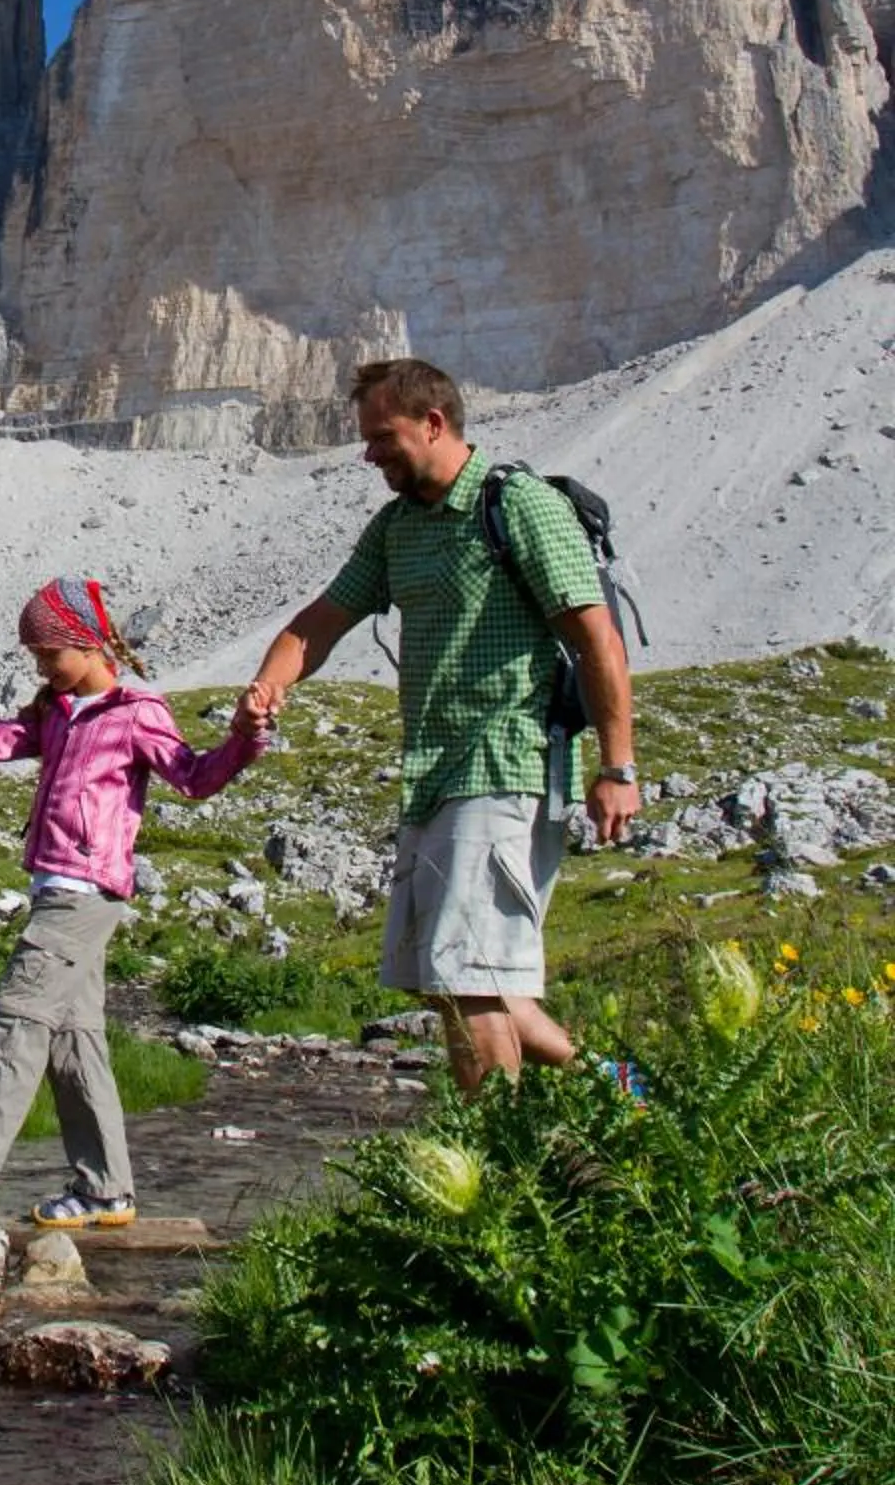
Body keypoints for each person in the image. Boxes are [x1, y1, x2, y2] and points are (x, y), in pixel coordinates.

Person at [243, 359, 640, 1097]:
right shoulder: (396, 528)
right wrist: (271, 682)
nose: (370, 454)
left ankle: (497, 1170)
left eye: (382, 437)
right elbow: (321, 622)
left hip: (505, 762)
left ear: (434, 422)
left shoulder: (517, 505)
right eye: (366, 440)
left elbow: (596, 639)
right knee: (442, 975)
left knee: (466, 975)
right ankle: (617, 1085)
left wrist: (617, 769)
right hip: (431, 775)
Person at [0, 577, 269, 1228]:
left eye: (47, 654)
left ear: (85, 642)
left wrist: (247, 739)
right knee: (72, 1045)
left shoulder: (136, 713)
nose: (40, 668)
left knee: (15, 1015)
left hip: (86, 894)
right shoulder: (54, 712)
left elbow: (196, 778)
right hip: (55, 888)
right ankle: (104, 1190)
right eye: (33, 657)